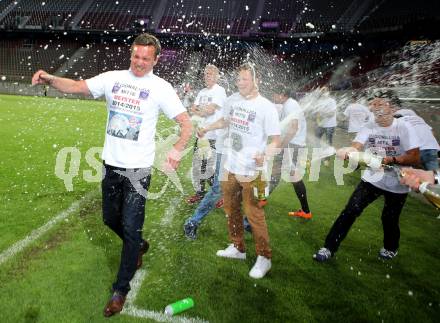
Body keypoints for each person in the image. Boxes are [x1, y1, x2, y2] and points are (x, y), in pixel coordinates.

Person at [31, 33, 192, 317]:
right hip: (111, 164)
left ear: (155, 60)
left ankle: (120, 290)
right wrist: (51, 79)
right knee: (109, 219)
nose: (139, 62)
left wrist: (177, 151)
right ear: (131, 54)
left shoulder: (161, 88)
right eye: (136, 56)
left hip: (139, 170)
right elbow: (78, 86)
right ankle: (139, 245)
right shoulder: (114, 78)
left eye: (145, 58)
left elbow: (185, 124)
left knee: (130, 227)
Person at [313, 90, 420, 262]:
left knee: (389, 218)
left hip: (398, 183)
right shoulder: (370, 124)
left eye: (379, 104)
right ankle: (329, 248)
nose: (373, 108)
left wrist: (391, 159)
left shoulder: (404, 127)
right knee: (350, 211)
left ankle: (391, 247)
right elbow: (356, 146)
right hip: (372, 178)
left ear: (391, 108)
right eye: (373, 104)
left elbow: (415, 157)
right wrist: (348, 151)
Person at [198, 63, 281, 279]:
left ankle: (264, 258)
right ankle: (238, 248)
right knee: (231, 209)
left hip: (254, 172)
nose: (241, 83)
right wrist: (207, 127)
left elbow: (275, 140)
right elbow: (225, 120)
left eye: (245, 79)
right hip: (230, 167)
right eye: (238, 79)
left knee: (255, 215)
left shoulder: (266, 107)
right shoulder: (232, 99)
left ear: (256, 80)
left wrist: (266, 154)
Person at [186, 64, 227, 204]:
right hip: (200, 135)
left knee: (208, 168)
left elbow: (209, 111)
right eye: (205, 74)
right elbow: (192, 109)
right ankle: (200, 192)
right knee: (198, 166)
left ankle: (220, 194)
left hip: (213, 135)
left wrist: (200, 110)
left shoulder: (219, 91)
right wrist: (200, 110)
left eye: (209, 74)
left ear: (216, 76)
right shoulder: (202, 91)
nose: (206, 76)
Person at [271, 84, 312, 219]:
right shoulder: (289, 104)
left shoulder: (290, 105)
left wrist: (281, 146)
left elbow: (293, 128)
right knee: (280, 172)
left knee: (291, 176)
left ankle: (306, 211)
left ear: (282, 94)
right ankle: (306, 211)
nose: (273, 96)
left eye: (275, 94)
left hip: (293, 146)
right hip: (294, 145)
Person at [313, 86, 337, 166]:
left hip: (329, 125)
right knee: (316, 140)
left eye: (325, 90)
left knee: (328, 142)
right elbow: (317, 113)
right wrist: (317, 121)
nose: (323, 92)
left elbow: (332, 113)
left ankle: (327, 159)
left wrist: (322, 113)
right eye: (322, 90)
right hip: (320, 125)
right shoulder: (319, 101)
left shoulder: (332, 101)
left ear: (328, 92)